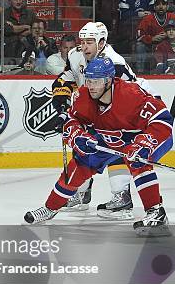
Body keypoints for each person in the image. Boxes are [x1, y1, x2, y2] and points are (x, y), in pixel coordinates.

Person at [25, 58, 173, 237]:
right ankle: (50, 208)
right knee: (79, 164)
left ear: (109, 80)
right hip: (108, 137)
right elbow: (72, 120)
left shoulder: (131, 95)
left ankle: (156, 212)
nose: (91, 86)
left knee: (138, 161)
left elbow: (162, 119)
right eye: (89, 80)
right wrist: (78, 136)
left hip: (142, 136)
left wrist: (145, 144)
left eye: (96, 81)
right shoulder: (83, 96)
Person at [51, 21, 156, 219]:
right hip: (91, 110)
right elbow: (66, 78)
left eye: (90, 42)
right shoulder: (75, 55)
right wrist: (63, 107)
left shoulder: (114, 62)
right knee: (83, 148)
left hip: (120, 116)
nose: (84, 46)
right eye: (82, 41)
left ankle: (122, 199)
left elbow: (130, 95)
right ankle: (80, 195)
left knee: (116, 151)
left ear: (101, 42)